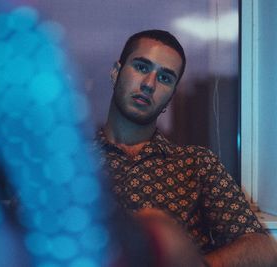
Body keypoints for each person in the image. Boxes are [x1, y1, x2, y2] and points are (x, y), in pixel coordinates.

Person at [95, 29, 277, 266]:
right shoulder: (72, 165)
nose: (149, 84)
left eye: (165, 78)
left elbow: (262, 248)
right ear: (116, 73)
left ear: (170, 97)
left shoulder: (196, 163)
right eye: (141, 67)